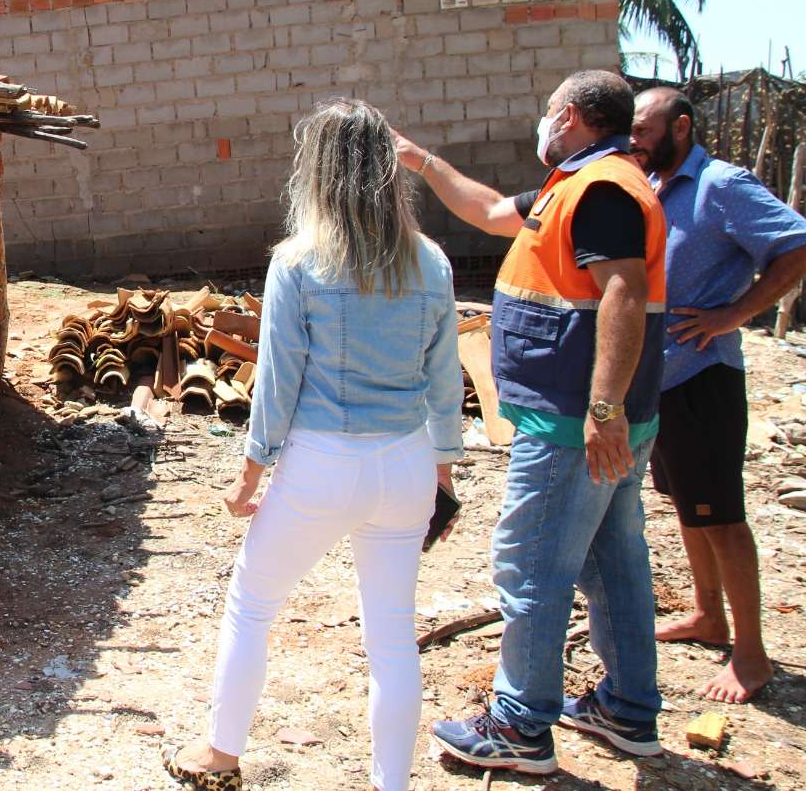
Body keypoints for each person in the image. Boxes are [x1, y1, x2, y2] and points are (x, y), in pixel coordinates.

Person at [163, 99, 465, 791]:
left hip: (323, 463)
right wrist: (443, 476)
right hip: (407, 464)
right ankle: (391, 784)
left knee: (253, 601)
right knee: (392, 636)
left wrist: (249, 475)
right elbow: (444, 383)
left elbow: (278, 381)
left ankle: (221, 753)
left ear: (318, 173)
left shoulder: (300, 261)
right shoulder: (433, 262)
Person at [395, 70, 667, 774]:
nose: (543, 122)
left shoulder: (602, 189)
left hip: (576, 424)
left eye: (549, 112)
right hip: (599, 421)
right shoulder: (573, 186)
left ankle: (519, 725)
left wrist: (602, 410)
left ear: (570, 115)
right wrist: (422, 161)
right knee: (612, 562)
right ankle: (628, 708)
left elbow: (623, 295)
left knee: (533, 564)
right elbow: (487, 210)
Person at [630, 85, 806, 703]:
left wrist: (734, 314)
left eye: (645, 129)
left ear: (680, 128)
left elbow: (797, 244)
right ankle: (709, 617)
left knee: (724, 518)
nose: (634, 139)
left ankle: (752, 656)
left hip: (704, 378)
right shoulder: (653, 186)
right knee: (687, 506)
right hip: (663, 377)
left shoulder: (723, 185)